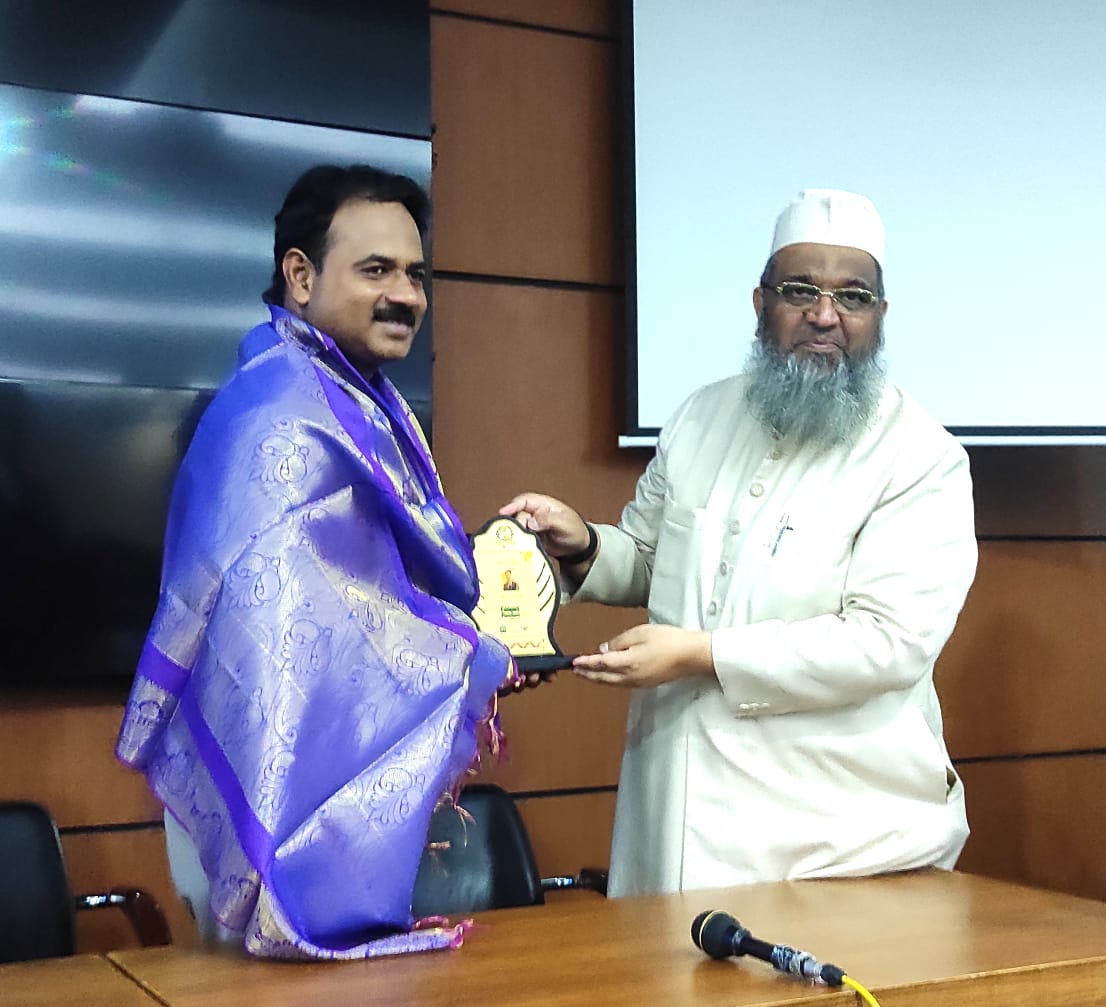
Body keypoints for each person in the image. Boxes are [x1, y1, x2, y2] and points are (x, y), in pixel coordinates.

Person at [502, 189, 977, 898]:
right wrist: (583, 547)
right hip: (674, 808)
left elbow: (887, 643)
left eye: (852, 297)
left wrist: (702, 653)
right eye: (800, 290)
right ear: (761, 303)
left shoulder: (920, 457)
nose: (824, 315)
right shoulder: (701, 416)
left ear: (880, 316)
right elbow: (655, 560)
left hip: (840, 842)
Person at [115, 164, 522, 959]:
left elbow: (372, 597)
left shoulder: (358, 402)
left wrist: (475, 642)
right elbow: (314, 631)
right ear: (300, 276)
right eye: (376, 270)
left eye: (415, 274)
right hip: (265, 797)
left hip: (333, 785)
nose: (406, 295)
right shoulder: (280, 415)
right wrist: (469, 653)